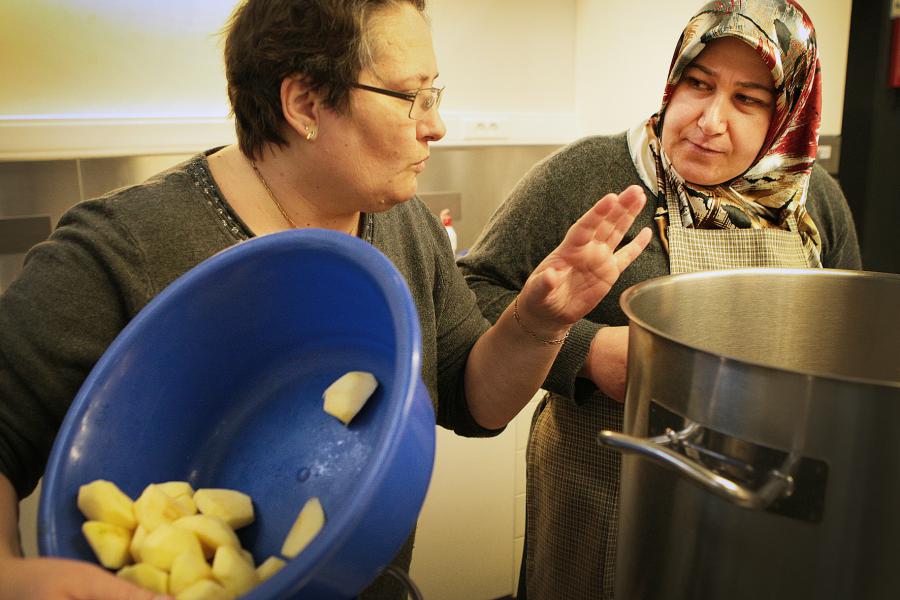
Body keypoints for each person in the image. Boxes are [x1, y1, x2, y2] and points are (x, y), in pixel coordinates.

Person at [0, 1, 651, 599]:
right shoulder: (119, 248)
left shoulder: (404, 223)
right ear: (305, 103)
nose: (438, 125)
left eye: (436, 93)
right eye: (410, 97)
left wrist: (538, 323)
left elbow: (474, 399)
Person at [458, 1, 862, 598]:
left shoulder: (814, 198)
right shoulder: (587, 173)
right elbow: (473, 290)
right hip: (600, 486)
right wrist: (588, 351)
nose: (708, 120)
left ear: (786, 114)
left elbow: (848, 335)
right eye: (698, 85)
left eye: (747, 100)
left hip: (763, 491)